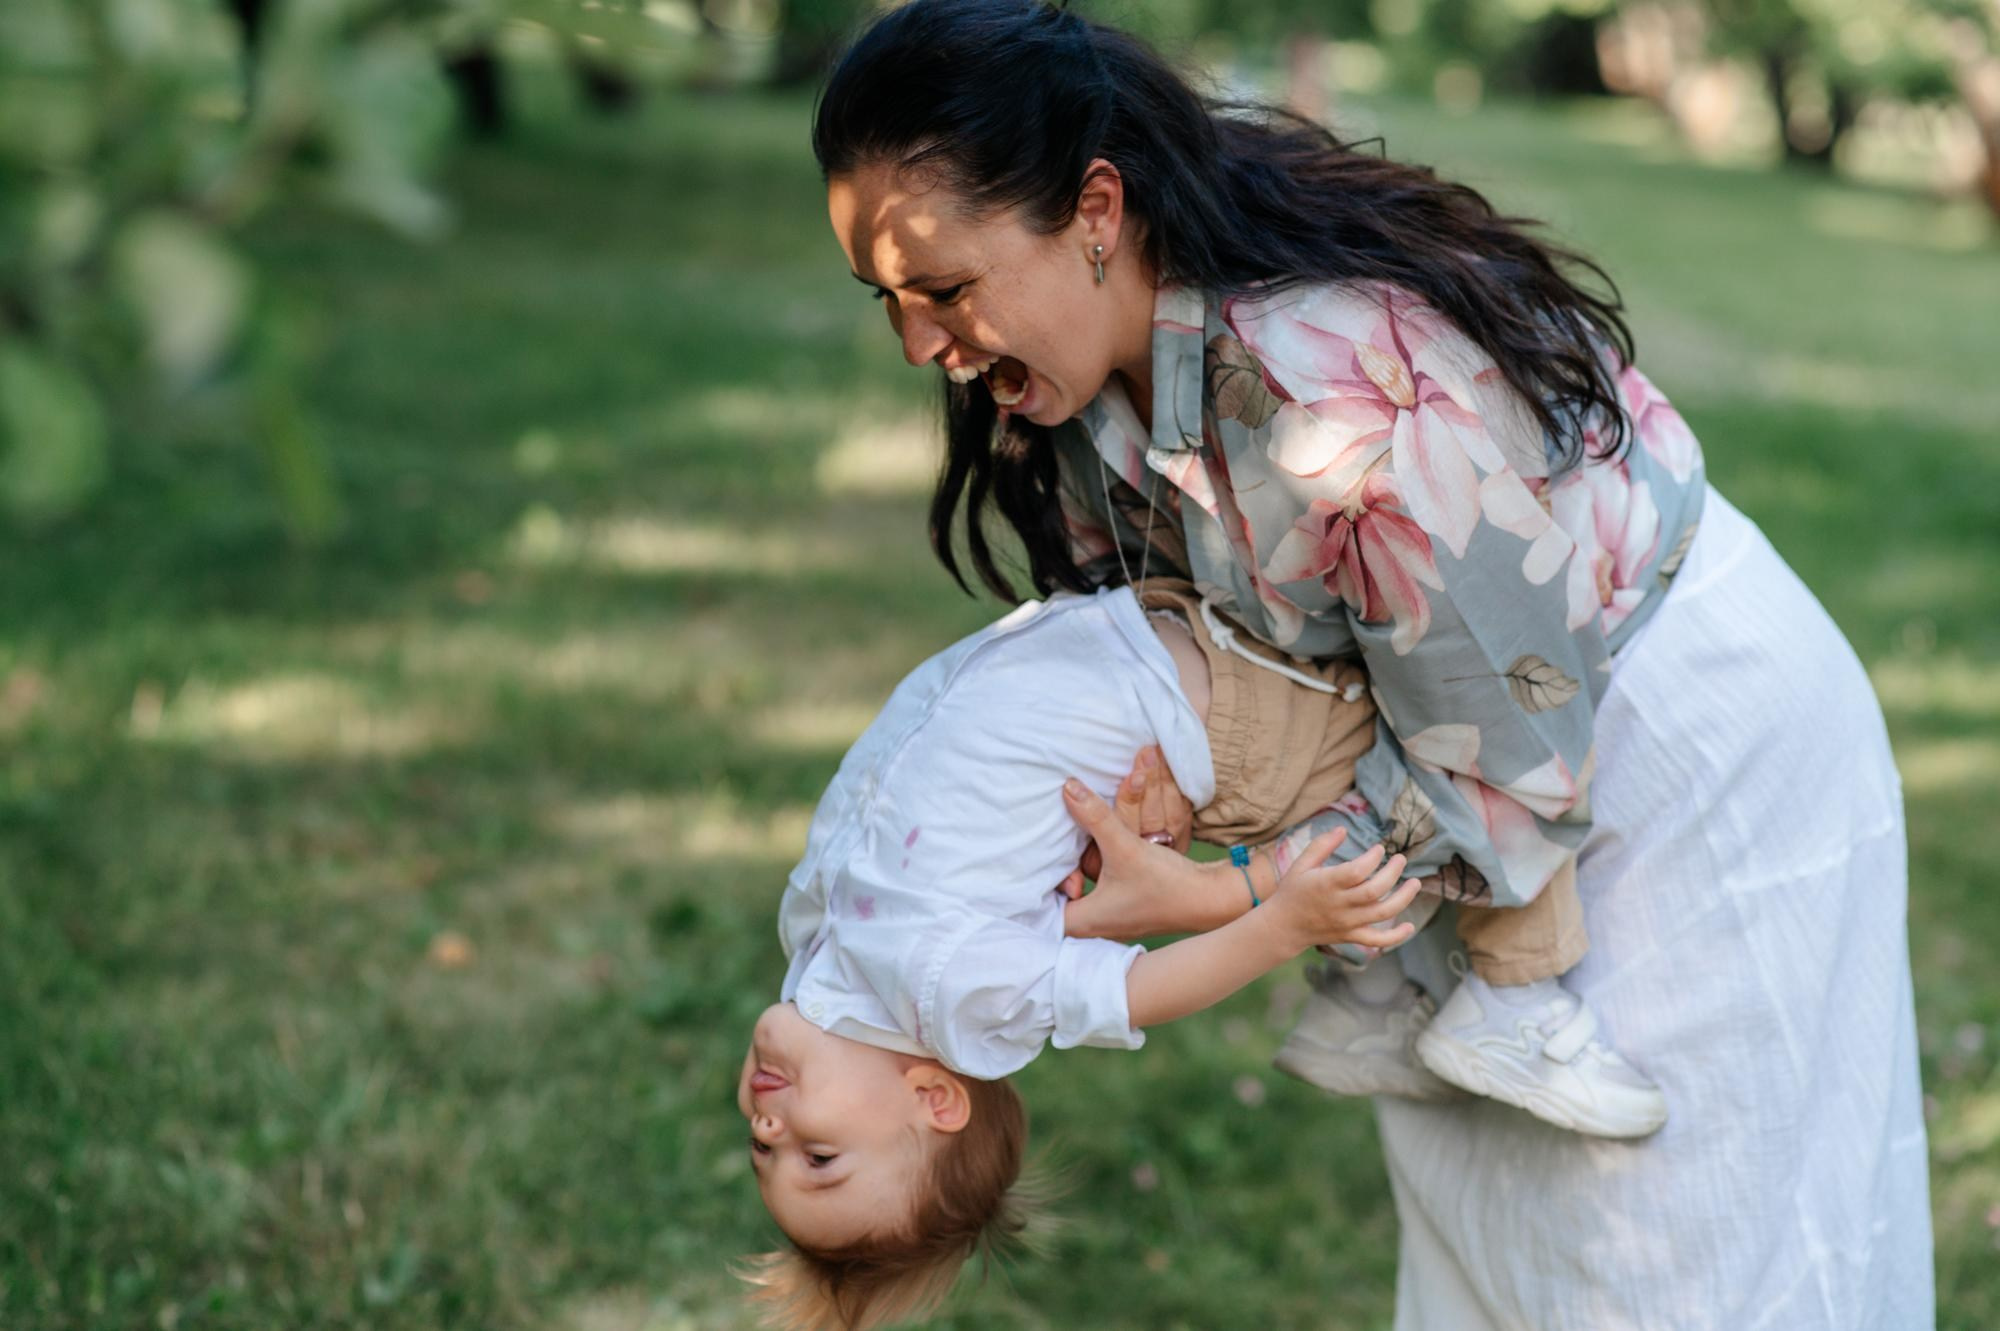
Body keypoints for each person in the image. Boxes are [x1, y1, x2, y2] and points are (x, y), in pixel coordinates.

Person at [809, 2, 1935, 1328]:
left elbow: (1497, 736)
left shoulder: (1332, 384)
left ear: (1096, 208)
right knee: (1497, 1228)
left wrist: (1234, 889)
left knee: (1686, 1243)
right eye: (889, 300)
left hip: (1658, 734)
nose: (918, 346)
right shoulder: (1081, 382)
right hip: (1455, 755)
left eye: (944, 289)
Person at [738, 581, 1424, 1330]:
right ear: (934, 1099)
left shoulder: (820, 952)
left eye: (762, 1154)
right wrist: (1277, 921)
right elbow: (1141, 989)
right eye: (819, 1157)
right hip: (1212, 697)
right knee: (1458, 747)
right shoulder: (955, 999)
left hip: (1128, 617)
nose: (770, 1131)